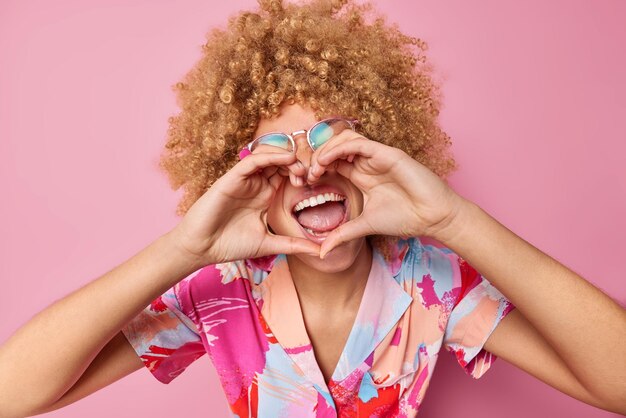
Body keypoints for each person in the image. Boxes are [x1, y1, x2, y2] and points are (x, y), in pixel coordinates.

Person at [0, 0, 624, 417]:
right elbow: (12, 393)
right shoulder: (218, 292)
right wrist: (183, 250)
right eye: (273, 162)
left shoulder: (431, 279)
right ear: (238, 183)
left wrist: (452, 220)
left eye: (335, 146)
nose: (309, 171)